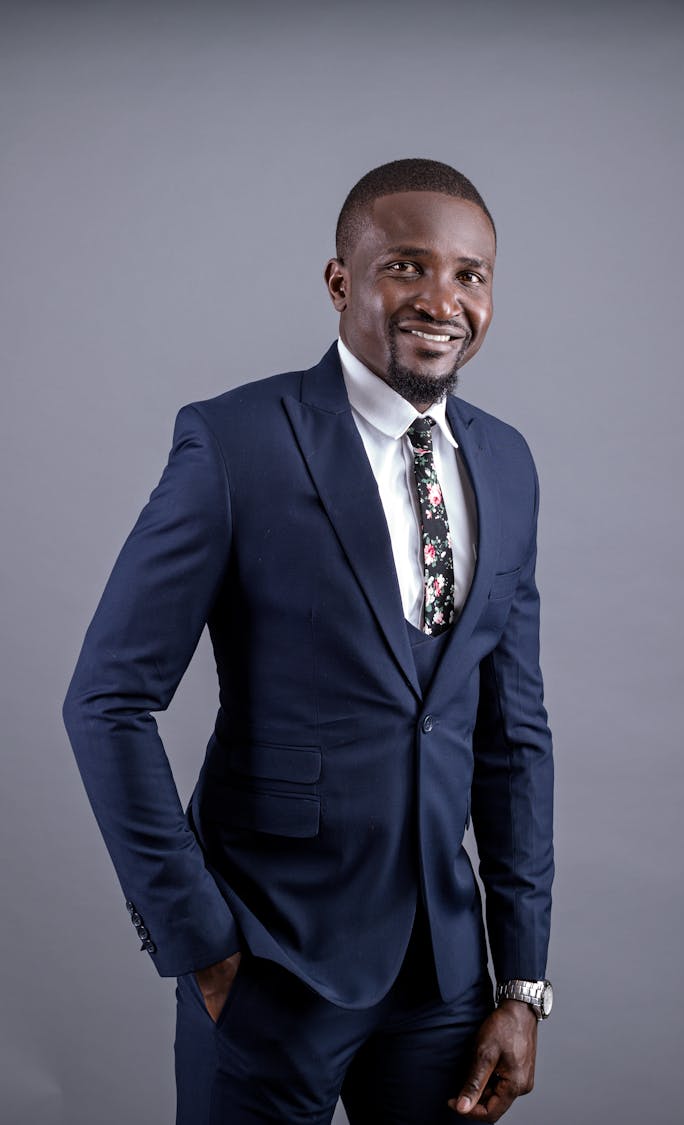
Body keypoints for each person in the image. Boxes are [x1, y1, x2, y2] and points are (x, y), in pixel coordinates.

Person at [63, 158, 554, 1124]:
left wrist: (521, 982)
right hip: (267, 961)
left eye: (471, 274)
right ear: (341, 281)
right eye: (407, 266)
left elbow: (515, 735)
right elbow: (105, 700)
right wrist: (198, 942)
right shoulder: (236, 442)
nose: (442, 300)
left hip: (445, 978)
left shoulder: (506, 462)